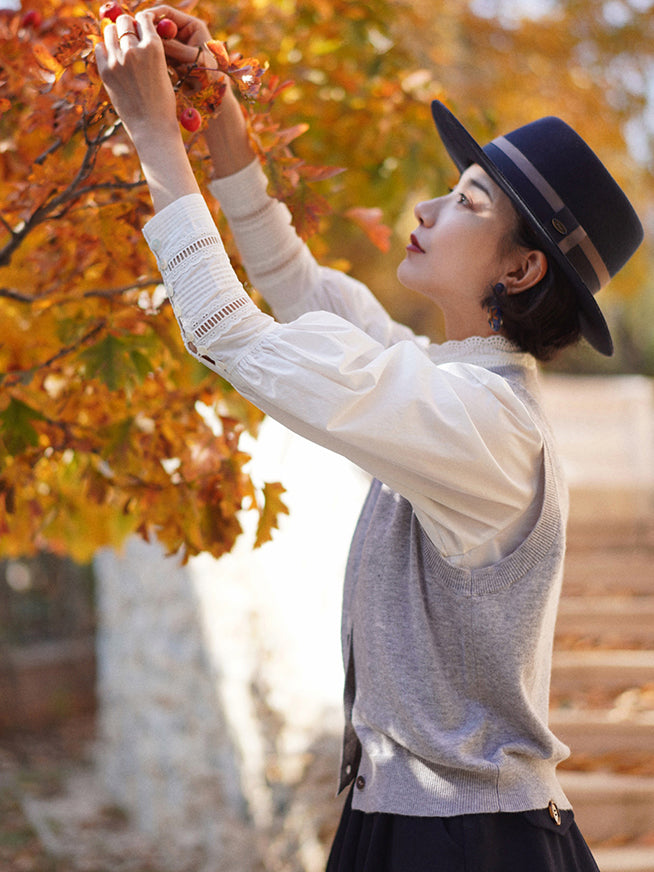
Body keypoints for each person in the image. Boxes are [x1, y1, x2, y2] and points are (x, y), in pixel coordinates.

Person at [95, 8, 643, 871]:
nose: (427, 206)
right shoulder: (451, 383)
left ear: (521, 268)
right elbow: (295, 286)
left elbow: (228, 332)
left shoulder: (482, 429)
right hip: (416, 821)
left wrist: (154, 138)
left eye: (466, 200)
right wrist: (219, 105)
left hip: (468, 844)